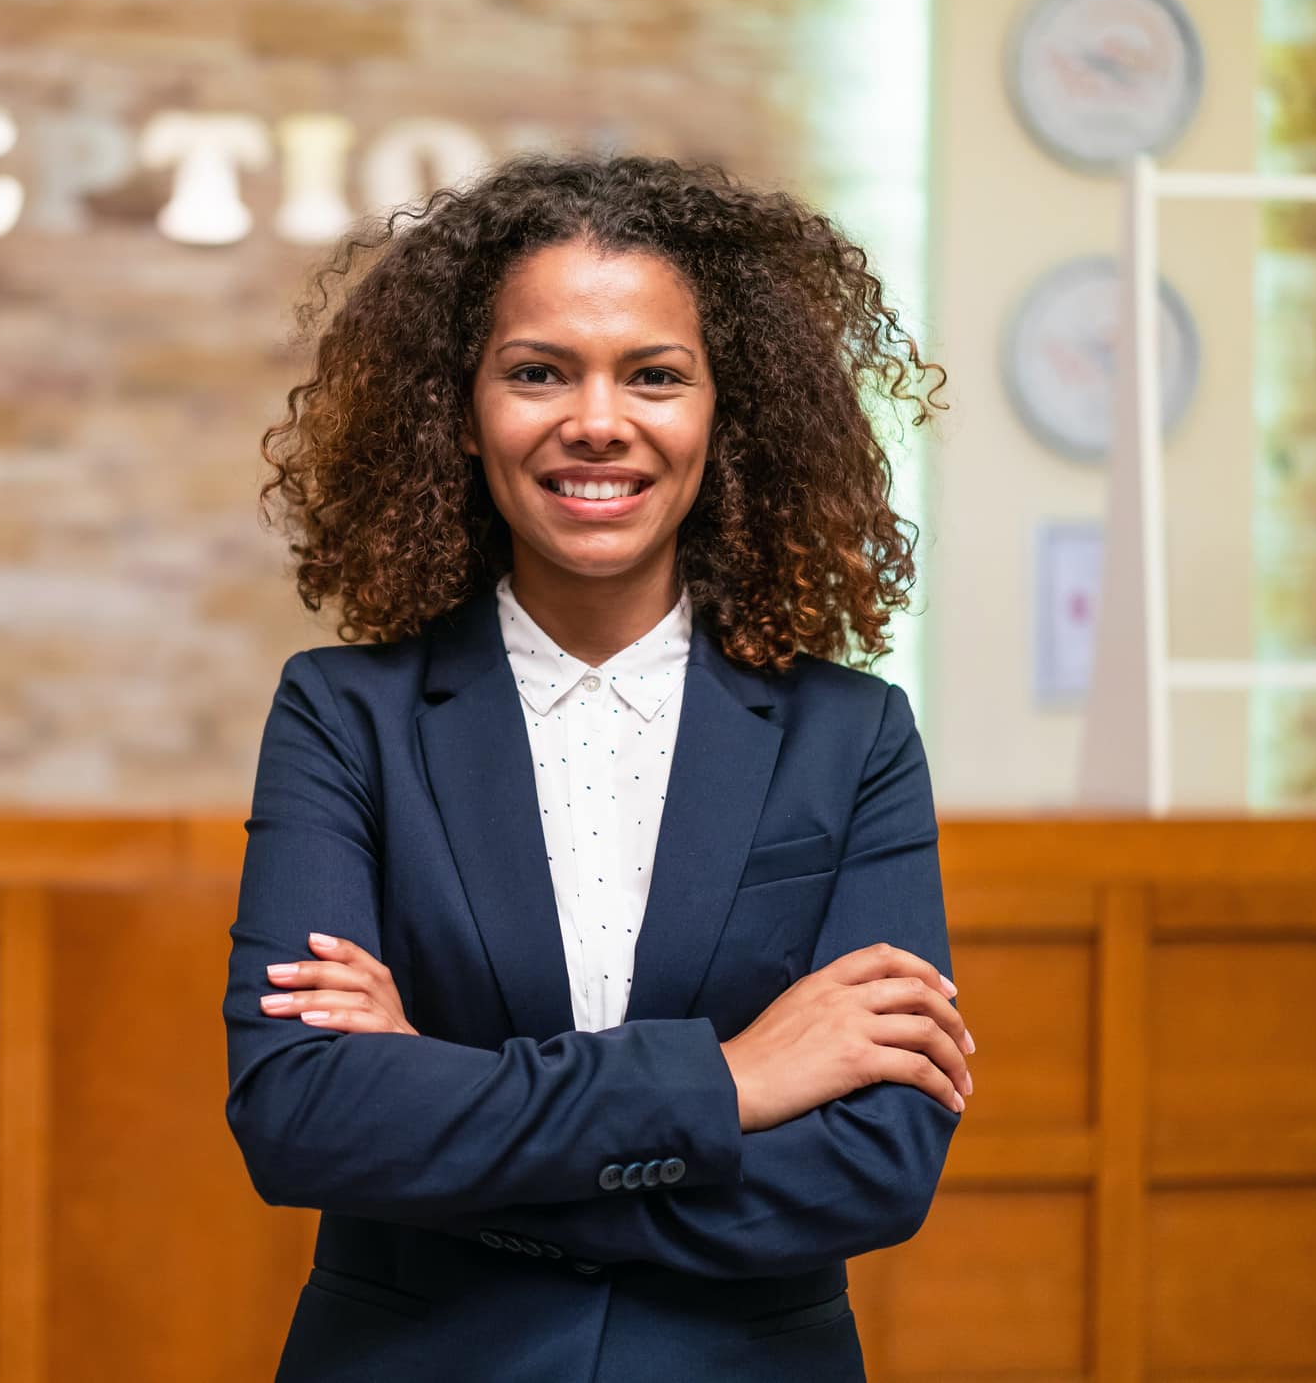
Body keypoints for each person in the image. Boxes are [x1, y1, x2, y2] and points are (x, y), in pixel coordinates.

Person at [221, 153, 973, 1382]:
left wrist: (445, 1109)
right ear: (463, 413)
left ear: (726, 413)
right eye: (538, 372)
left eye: (656, 375)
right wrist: (733, 1079)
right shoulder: (343, 717)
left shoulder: (856, 739)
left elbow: (872, 1165)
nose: (597, 421)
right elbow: (304, 1121)